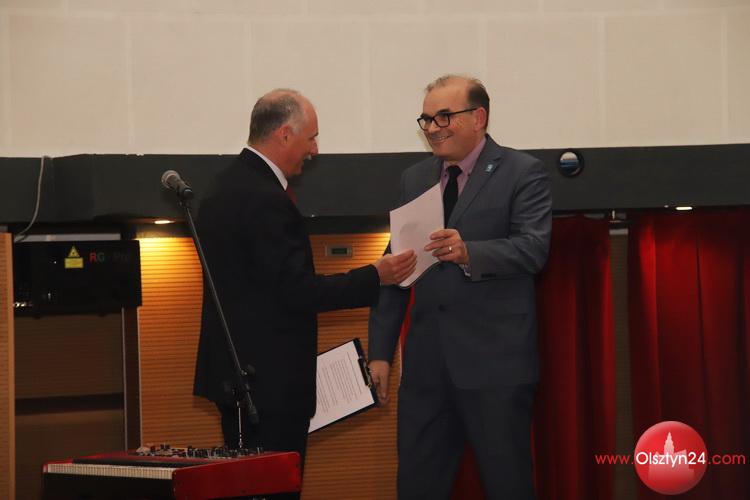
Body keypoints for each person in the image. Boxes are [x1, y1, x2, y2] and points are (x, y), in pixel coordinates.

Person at [193, 89, 416, 492]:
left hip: (240, 379)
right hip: (268, 387)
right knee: (272, 489)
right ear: (284, 134)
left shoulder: (225, 185)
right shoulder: (265, 198)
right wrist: (375, 275)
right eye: (311, 138)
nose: (314, 149)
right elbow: (297, 291)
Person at [368, 75, 551, 499]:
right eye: (427, 119)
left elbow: (533, 249)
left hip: (495, 368)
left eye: (444, 117)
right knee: (417, 486)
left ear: (478, 117)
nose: (433, 128)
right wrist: (380, 353)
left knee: (507, 485)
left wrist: (470, 252)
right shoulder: (414, 179)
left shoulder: (522, 173)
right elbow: (396, 270)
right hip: (426, 370)